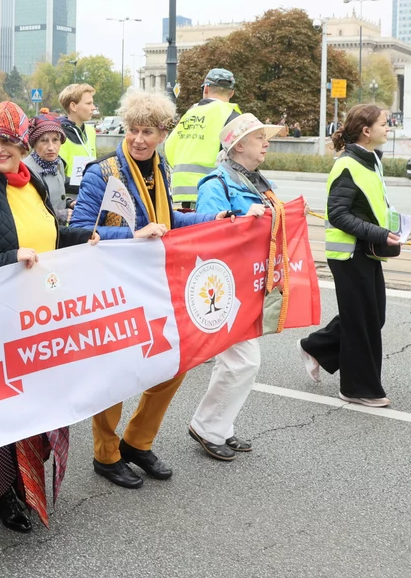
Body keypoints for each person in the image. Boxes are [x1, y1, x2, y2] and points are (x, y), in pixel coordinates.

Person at [0, 101, 98, 534]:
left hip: (38, 317)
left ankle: (26, 485)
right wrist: (6, 258)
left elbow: (49, 236)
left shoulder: (33, 186)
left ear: (23, 145)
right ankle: (4, 495)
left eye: (7, 140)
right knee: (3, 411)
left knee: (36, 407)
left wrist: (92, 235)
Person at [71, 90, 225, 489]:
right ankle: (106, 455)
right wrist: (132, 234)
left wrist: (215, 218)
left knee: (173, 363)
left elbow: (168, 217)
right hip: (112, 286)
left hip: (156, 282)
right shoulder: (101, 173)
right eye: (133, 130)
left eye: (148, 131)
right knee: (116, 374)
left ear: (162, 133)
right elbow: (79, 231)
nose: (139, 139)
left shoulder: (163, 168)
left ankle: (137, 441)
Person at [188, 113, 285, 460]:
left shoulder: (257, 181)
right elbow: (209, 235)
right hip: (225, 288)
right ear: (239, 145)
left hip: (247, 284)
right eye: (260, 137)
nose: (266, 143)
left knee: (234, 361)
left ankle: (221, 426)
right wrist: (246, 222)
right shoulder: (216, 185)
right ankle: (207, 426)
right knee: (244, 361)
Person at [300, 105, 397, 408]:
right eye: (384, 123)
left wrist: (392, 229)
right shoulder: (348, 165)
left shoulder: (369, 160)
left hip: (366, 252)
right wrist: (379, 234)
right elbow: (338, 214)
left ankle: (316, 346)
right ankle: (357, 388)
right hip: (349, 255)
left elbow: (369, 207)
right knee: (361, 321)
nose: (388, 128)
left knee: (372, 316)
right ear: (366, 131)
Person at [164, 68, 242, 208]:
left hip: (181, 191)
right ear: (231, 93)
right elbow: (239, 156)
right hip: (213, 190)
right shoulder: (232, 116)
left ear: (206, 88)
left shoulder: (190, 113)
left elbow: (169, 148)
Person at [24, 114, 74, 224]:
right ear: (34, 144)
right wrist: (59, 215)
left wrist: (69, 202)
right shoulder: (26, 169)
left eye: (55, 140)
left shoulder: (58, 163)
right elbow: (27, 210)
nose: (51, 147)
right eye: (44, 141)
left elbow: (56, 197)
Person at [57, 83, 99, 192]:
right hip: (69, 200)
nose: (93, 108)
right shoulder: (58, 135)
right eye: (88, 103)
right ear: (73, 106)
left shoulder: (90, 131)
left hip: (89, 195)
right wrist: (87, 185)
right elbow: (56, 179)